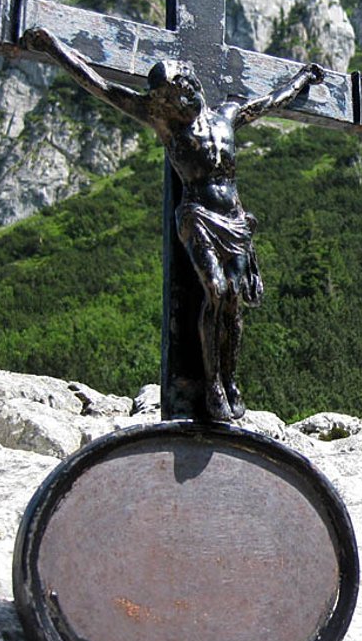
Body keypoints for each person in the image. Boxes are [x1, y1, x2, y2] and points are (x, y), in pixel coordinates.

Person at [20, 27, 324, 421]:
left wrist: (301, 79)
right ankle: (213, 384)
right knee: (215, 290)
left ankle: (229, 381)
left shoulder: (227, 116)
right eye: (177, 94)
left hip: (234, 221)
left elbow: (269, 101)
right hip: (197, 215)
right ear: (166, 102)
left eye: (189, 88)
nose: (188, 96)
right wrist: (53, 47)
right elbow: (98, 84)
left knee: (233, 305)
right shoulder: (165, 125)